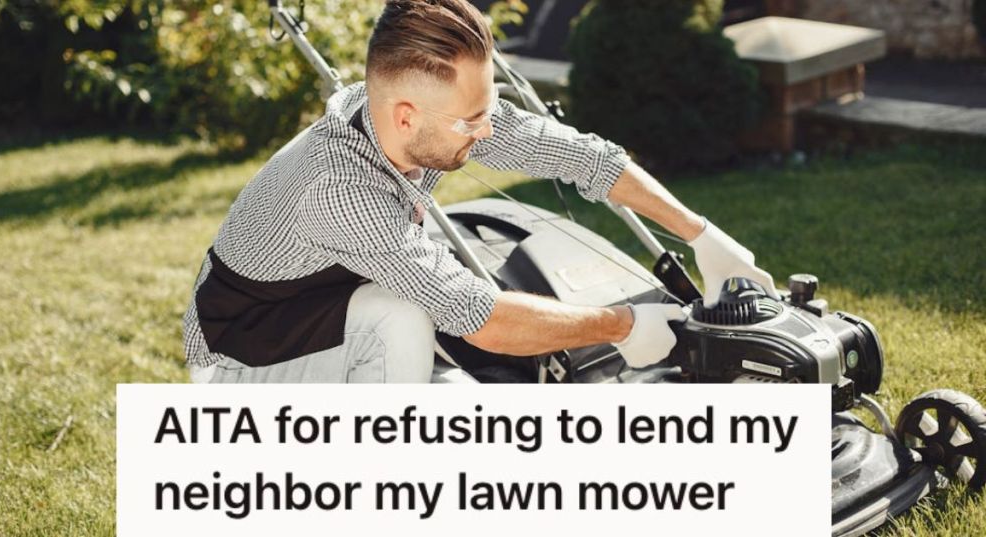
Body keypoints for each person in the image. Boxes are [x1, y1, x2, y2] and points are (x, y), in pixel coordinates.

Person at [182, 0, 776, 384]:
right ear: (407, 116)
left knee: (433, 351)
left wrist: (702, 234)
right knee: (407, 319)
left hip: (322, 315)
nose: (487, 130)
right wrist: (622, 324)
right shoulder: (336, 190)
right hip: (241, 359)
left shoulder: (424, 124)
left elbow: (574, 153)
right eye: (471, 121)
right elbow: (481, 319)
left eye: (486, 109)